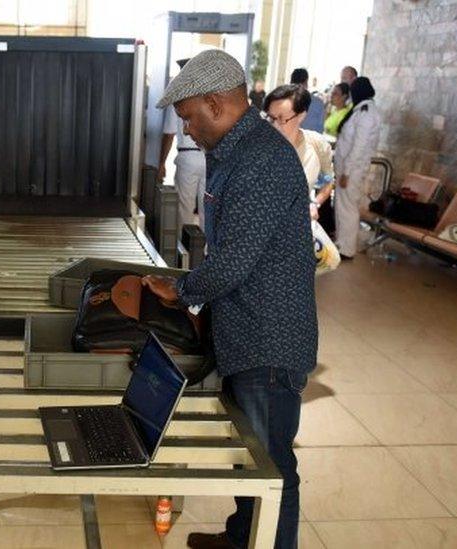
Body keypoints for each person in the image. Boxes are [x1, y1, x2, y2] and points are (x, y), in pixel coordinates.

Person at [142, 49, 317, 549]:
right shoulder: (236, 152)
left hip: (268, 340)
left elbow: (235, 261)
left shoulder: (260, 160)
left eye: (189, 118)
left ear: (216, 104)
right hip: (244, 328)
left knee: (272, 466)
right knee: (250, 456)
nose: (188, 132)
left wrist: (180, 290)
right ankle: (243, 538)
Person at [264, 84, 335, 222]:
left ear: (301, 116)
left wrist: (315, 204)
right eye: (271, 118)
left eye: (281, 119)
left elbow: (327, 182)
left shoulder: (317, 146)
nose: (275, 125)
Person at [159, 58, 207, 234]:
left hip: (187, 158)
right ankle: (207, 253)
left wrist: (161, 163)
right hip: (210, 157)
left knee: (184, 209)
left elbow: (169, 133)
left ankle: (183, 253)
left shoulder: (178, 97)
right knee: (208, 210)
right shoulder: (209, 97)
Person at [334, 77, 380, 260]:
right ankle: (341, 244)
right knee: (342, 206)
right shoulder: (360, 110)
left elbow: (359, 146)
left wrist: (346, 172)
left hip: (352, 171)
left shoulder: (367, 113)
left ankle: (346, 249)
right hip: (346, 168)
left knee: (348, 208)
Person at [290, 68, 324, 133]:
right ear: (306, 82)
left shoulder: (283, 101)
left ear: (291, 82)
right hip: (309, 141)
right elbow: (320, 129)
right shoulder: (318, 103)